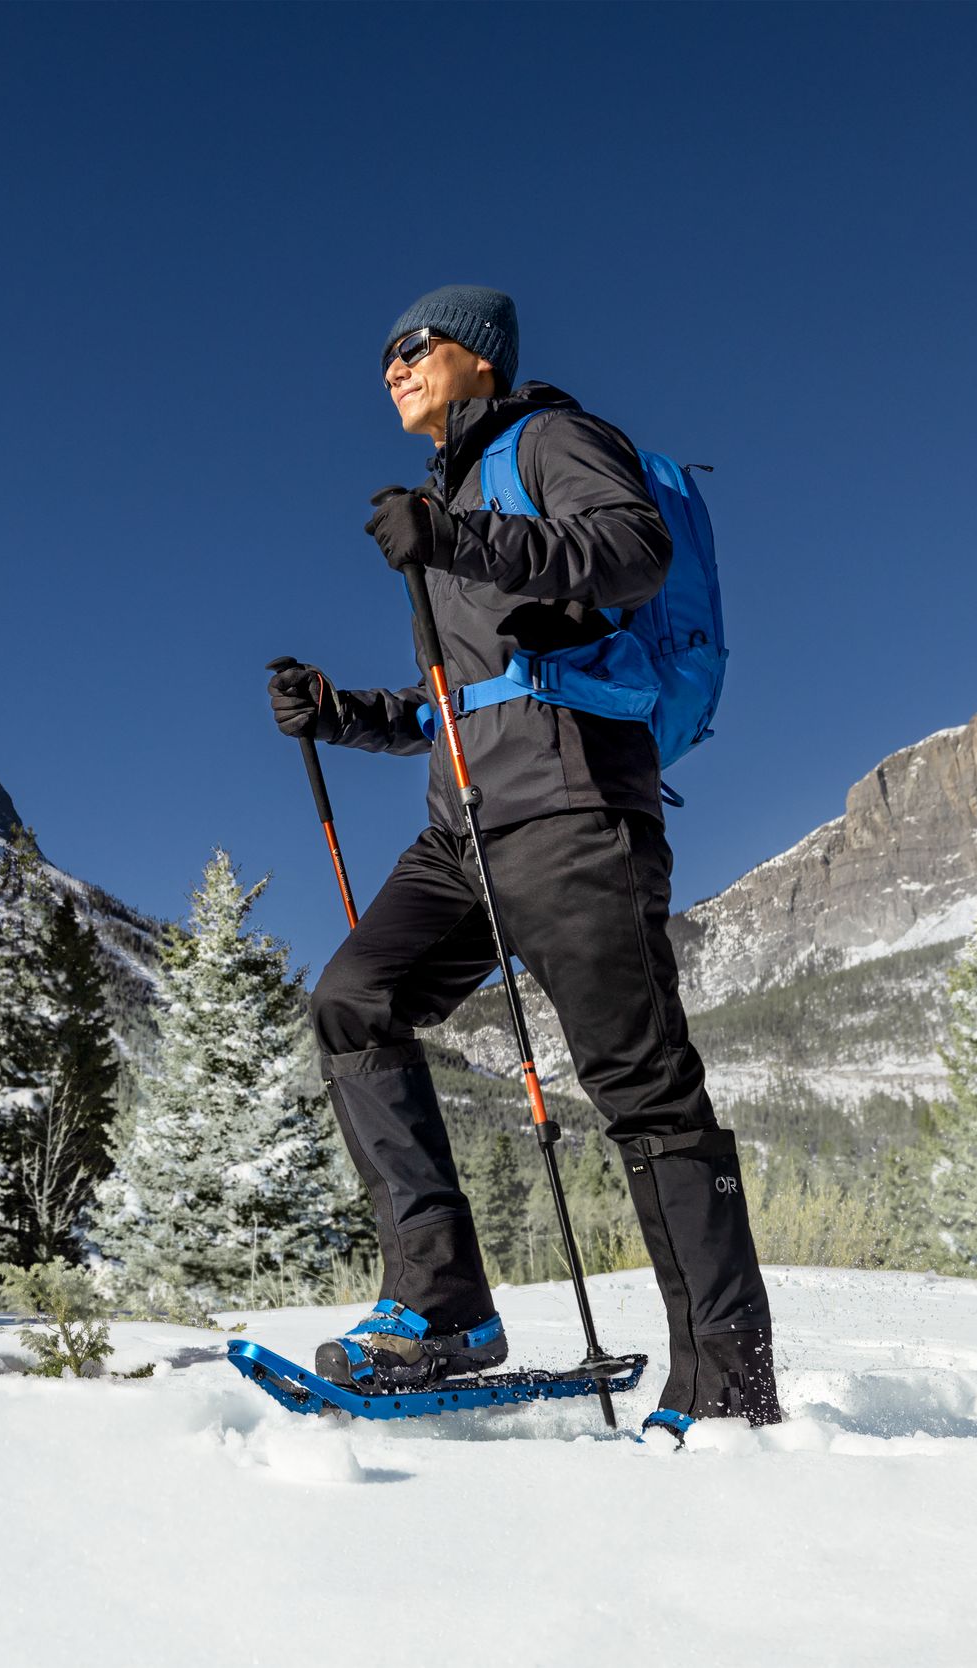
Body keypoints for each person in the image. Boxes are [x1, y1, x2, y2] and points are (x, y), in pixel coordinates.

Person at [267, 284, 781, 1429]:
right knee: (354, 1002)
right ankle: (442, 1307)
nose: (391, 367)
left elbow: (630, 552)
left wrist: (454, 535)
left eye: (413, 347)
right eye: (384, 354)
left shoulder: (549, 439)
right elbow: (460, 697)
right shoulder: (449, 495)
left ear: (478, 358)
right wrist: (341, 711)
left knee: (642, 1089)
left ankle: (730, 1385)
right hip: (464, 830)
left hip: (573, 807)